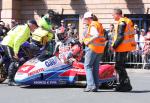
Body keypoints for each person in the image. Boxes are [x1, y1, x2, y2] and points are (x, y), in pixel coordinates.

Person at [1, 20, 38, 86]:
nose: (35, 28)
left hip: (6, 42)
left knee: (5, 59)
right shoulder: (25, 29)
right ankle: (10, 80)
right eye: (35, 26)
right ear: (31, 24)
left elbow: (19, 41)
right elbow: (17, 41)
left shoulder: (22, 27)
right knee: (14, 61)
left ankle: (4, 72)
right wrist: (15, 53)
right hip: (9, 44)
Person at [111, 8, 136, 92]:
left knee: (119, 66)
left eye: (113, 14)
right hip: (124, 47)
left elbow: (120, 36)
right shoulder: (125, 21)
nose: (112, 16)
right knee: (119, 66)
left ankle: (126, 85)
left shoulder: (122, 22)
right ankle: (123, 84)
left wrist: (113, 46)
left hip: (122, 47)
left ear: (117, 14)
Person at [83, 12, 106, 92]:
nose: (84, 21)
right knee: (95, 68)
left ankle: (90, 85)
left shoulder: (92, 25)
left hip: (92, 48)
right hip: (100, 49)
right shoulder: (98, 24)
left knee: (87, 66)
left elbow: (95, 35)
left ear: (89, 18)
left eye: (85, 19)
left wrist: (88, 41)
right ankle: (95, 86)